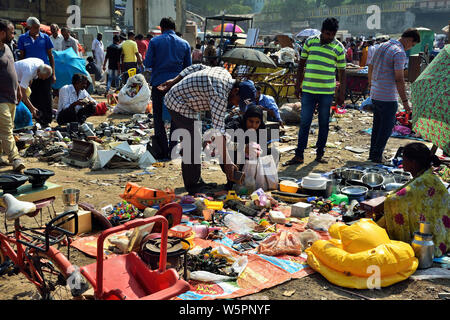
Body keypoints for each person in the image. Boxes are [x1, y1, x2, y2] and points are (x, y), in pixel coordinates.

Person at [157, 64, 257, 194]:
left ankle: (196, 180)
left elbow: (197, 67)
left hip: (188, 103)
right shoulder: (219, 95)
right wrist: (228, 163)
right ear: (235, 90)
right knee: (192, 143)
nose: (237, 105)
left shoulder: (224, 73)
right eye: (238, 101)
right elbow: (219, 132)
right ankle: (193, 186)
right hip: (178, 102)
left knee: (195, 140)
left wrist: (174, 80)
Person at [285, 17, 346, 166]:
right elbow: (301, 65)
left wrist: (341, 94)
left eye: (332, 34)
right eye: (326, 33)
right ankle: (299, 155)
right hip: (308, 90)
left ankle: (320, 154)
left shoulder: (338, 47)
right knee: (305, 122)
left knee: (324, 123)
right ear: (322, 31)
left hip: (326, 92)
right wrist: (297, 85)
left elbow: (342, 73)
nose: (329, 37)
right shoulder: (310, 42)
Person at [378, 142, 449, 257]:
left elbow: (395, 200)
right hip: (444, 234)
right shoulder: (428, 175)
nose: (402, 162)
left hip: (430, 239)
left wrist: (383, 203)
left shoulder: (424, 180)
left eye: (404, 159)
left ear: (413, 163)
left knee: (393, 204)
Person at [367, 28, 420, 163]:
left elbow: (371, 66)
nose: (410, 48)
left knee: (377, 126)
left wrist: (371, 85)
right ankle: (377, 156)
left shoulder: (382, 46)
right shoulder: (399, 52)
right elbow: (399, 79)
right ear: (409, 39)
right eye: (412, 45)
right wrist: (406, 102)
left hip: (376, 93)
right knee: (385, 128)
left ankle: (373, 154)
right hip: (387, 96)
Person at [144, 17, 191, 160]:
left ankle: (163, 150)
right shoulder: (184, 43)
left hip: (158, 84)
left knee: (158, 118)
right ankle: (173, 149)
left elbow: (148, 62)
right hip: (177, 85)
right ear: (174, 28)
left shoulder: (154, 41)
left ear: (161, 28)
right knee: (175, 117)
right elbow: (188, 68)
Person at [222, 105, 276, 190]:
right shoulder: (235, 125)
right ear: (246, 118)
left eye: (257, 122)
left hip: (251, 159)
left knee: (273, 152)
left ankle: (259, 180)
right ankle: (233, 180)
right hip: (235, 157)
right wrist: (243, 148)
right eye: (251, 121)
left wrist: (259, 151)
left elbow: (263, 147)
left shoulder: (261, 128)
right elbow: (224, 144)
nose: (253, 125)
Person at [17, 17, 55, 127]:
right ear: (29, 27)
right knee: (34, 96)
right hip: (31, 74)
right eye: (35, 28)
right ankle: (38, 119)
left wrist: (53, 73)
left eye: (38, 28)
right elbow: (22, 56)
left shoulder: (45, 37)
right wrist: (25, 76)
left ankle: (47, 120)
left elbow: (50, 56)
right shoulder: (23, 38)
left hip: (45, 71)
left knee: (47, 96)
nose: (38, 30)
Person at [0, 19, 26, 172]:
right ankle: (15, 158)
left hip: (11, 96)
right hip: (0, 98)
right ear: (2, 33)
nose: (13, 34)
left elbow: (13, 70)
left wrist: (18, 89)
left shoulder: (8, 47)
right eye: (11, 32)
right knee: (7, 130)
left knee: (5, 128)